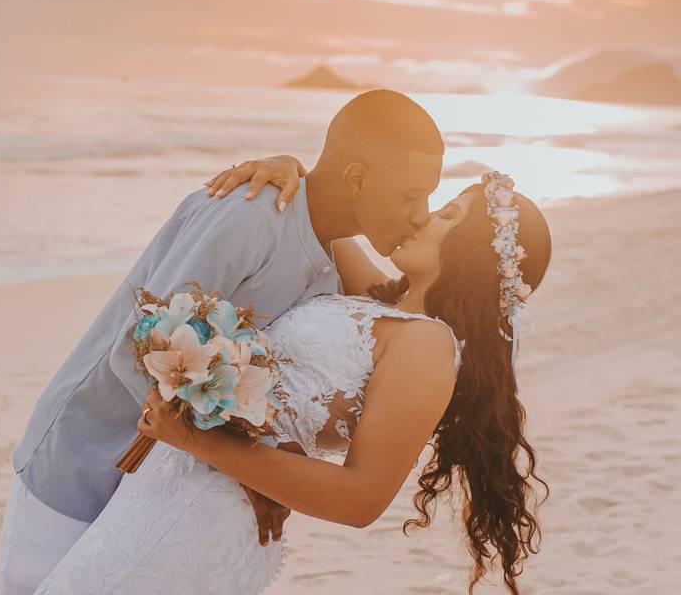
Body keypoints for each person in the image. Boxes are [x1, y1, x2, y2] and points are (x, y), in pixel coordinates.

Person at [0, 89, 445, 594]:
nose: (421, 214)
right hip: (83, 459)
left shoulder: (332, 268)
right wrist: (255, 461)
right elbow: (142, 349)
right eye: (409, 196)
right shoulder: (250, 214)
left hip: (161, 494)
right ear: (357, 178)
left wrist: (258, 462)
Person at [34, 170, 552, 595]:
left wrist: (195, 438)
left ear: (474, 254)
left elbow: (359, 499)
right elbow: (329, 196)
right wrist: (285, 164)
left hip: (208, 511)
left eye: (446, 216)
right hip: (164, 486)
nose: (423, 216)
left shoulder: (430, 345)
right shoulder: (378, 299)